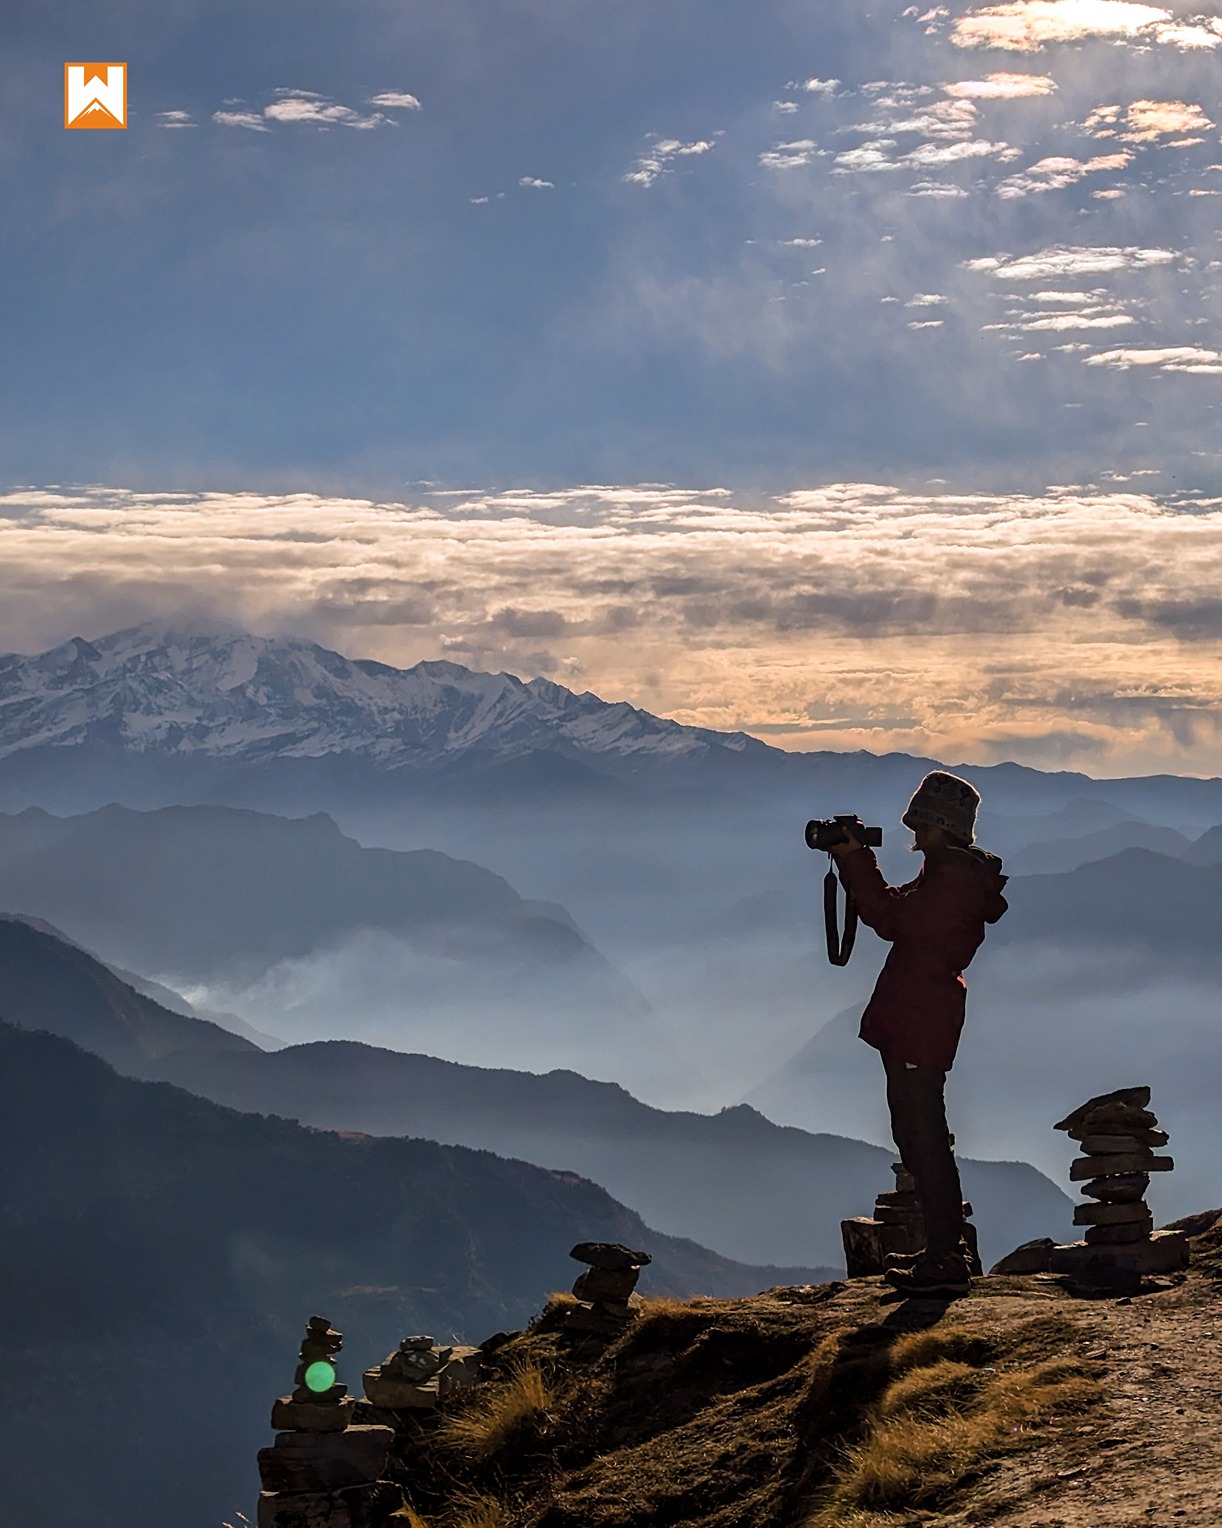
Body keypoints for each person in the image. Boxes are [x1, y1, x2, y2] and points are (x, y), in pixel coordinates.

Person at [828, 770, 1008, 1297]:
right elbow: (895, 910)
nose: (914, 833)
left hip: (920, 1019)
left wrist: (853, 858)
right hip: (917, 1016)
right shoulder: (945, 874)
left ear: (938, 825)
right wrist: (853, 859)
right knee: (915, 1131)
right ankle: (942, 1249)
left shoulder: (950, 881)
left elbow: (889, 917)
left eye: (922, 823)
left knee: (923, 1134)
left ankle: (946, 1254)